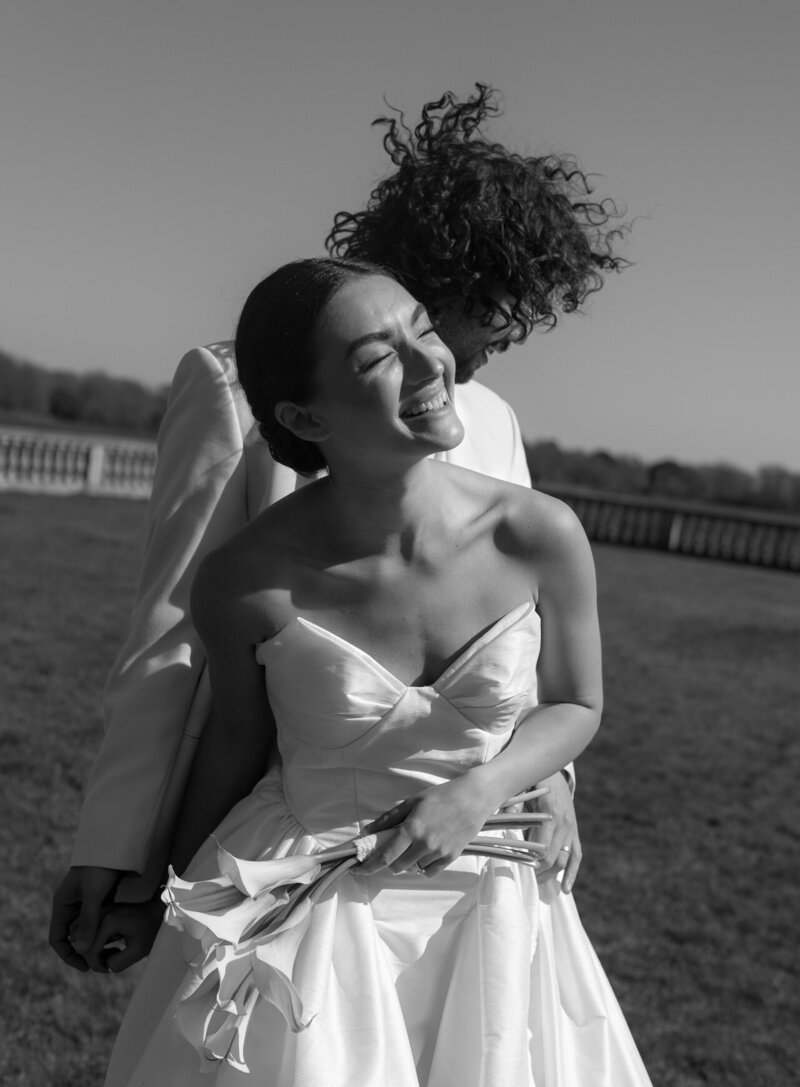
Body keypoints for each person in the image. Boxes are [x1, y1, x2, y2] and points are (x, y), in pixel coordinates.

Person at [72, 259, 696, 1087]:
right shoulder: (243, 579)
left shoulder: (540, 533)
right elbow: (236, 745)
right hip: (310, 923)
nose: (431, 363)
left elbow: (576, 704)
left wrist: (481, 789)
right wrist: (167, 894)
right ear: (306, 416)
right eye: (377, 357)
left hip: (494, 916)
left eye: (423, 330)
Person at [50, 83, 629, 973]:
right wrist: (121, 847)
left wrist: (550, 777)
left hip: (480, 865)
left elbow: (536, 645)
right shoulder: (232, 391)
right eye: (500, 304)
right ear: (450, 277)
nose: (504, 337)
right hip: (291, 839)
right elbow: (171, 629)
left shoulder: (494, 418)